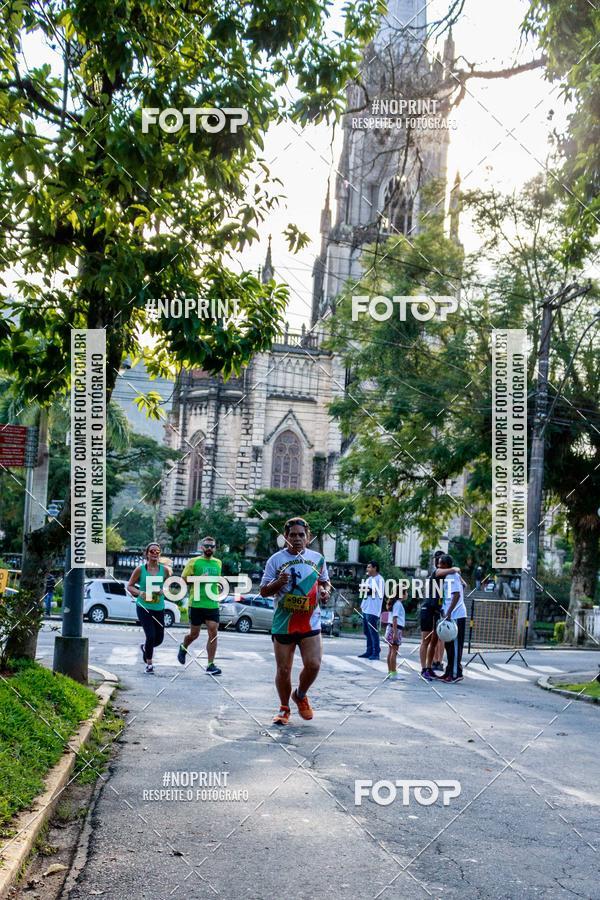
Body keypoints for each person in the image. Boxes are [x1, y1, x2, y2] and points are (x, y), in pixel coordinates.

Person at [259, 517, 330, 725]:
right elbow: (263, 591)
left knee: (314, 665)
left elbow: (324, 581)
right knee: (283, 669)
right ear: (285, 537)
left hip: (309, 620)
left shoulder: (317, 559)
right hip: (284, 621)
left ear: (308, 537)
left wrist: (325, 591)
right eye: (292, 535)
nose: (297, 539)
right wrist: (278, 582)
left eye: (301, 535)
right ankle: (283, 708)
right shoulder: (275, 560)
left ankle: (300, 695)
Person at [177, 536, 222, 675]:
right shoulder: (194, 562)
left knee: (213, 632)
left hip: (212, 603)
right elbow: (183, 580)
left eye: (212, 546)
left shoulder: (218, 563)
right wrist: (199, 578)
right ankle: (184, 646)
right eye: (206, 546)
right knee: (194, 634)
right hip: (196, 603)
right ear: (201, 547)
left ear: (215, 548)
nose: (209, 548)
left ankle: (210, 665)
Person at [127, 543, 172, 674]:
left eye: (157, 551)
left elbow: (169, 586)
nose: (154, 553)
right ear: (147, 553)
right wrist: (140, 592)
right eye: (152, 551)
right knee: (151, 635)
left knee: (159, 639)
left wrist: (164, 591)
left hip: (159, 607)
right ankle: (149, 664)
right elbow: (129, 586)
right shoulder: (140, 570)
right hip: (144, 607)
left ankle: (145, 648)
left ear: (160, 554)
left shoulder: (165, 571)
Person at [438, 553, 468, 683]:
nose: (439, 565)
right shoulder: (450, 576)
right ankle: (449, 671)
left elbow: (456, 595)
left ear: (446, 565)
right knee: (449, 645)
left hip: (456, 615)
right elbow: (463, 587)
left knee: (455, 646)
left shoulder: (452, 576)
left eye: (440, 563)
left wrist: (449, 612)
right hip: (450, 614)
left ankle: (456, 674)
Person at [359, 560, 385, 660]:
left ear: (375, 568)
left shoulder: (380, 580)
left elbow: (371, 591)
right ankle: (369, 651)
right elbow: (363, 591)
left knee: (373, 632)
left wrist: (364, 588)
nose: (367, 569)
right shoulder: (369, 579)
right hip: (366, 608)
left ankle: (376, 652)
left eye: (369, 567)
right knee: (367, 631)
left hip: (373, 610)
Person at [385, 589, 406, 680]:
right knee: (394, 651)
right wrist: (395, 633)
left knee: (391, 651)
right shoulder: (398, 604)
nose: (407, 594)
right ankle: (393, 673)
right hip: (395, 628)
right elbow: (395, 618)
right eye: (406, 592)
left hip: (391, 628)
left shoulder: (395, 603)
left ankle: (390, 672)